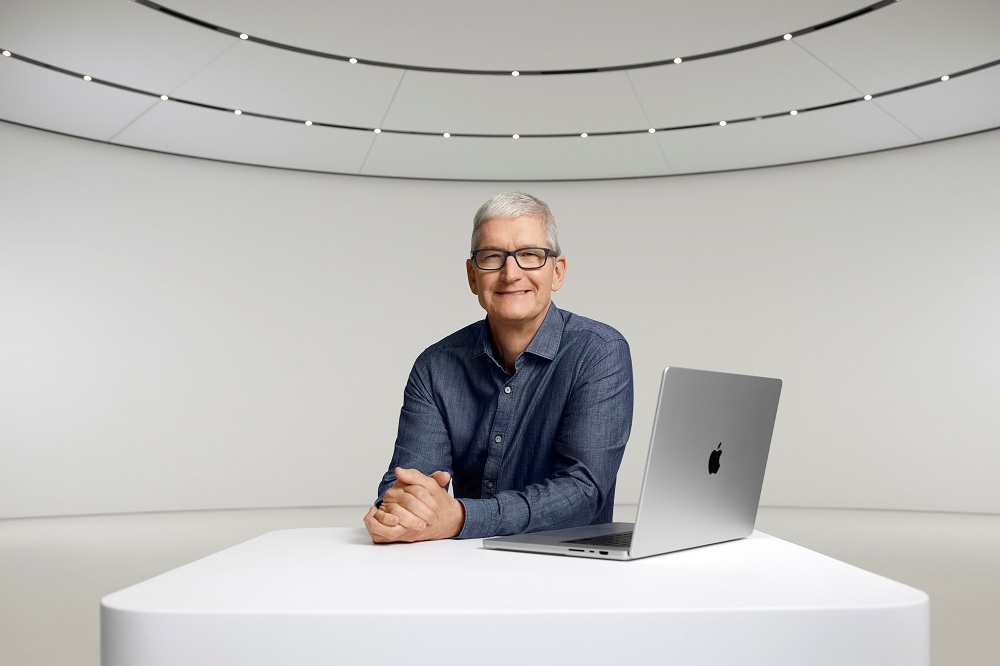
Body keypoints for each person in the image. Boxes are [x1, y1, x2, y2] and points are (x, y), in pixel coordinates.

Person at [363, 192, 633, 543]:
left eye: (530, 255)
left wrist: (462, 517)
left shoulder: (598, 352)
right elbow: (409, 484)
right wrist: (399, 511)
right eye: (492, 258)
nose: (510, 273)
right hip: (467, 569)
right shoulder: (436, 366)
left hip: (570, 573)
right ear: (473, 276)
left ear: (557, 272)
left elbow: (583, 494)